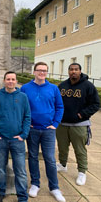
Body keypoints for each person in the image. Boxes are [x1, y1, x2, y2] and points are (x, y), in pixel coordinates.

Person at [21, 62, 66, 202]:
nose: (42, 73)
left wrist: (55, 124)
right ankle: (35, 183)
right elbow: (21, 107)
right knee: (33, 157)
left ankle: (54, 187)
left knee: (50, 159)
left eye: (44, 71)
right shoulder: (25, 88)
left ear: (47, 73)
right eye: (39, 70)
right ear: (34, 72)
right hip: (32, 129)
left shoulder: (53, 88)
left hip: (48, 130)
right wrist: (25, 125)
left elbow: (60, 107)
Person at [0, 71, 31, 202]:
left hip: (17, 140)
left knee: (21, 171)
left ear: (16, 81)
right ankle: (0, 192)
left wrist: (23, 135)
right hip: (1, 139)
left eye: (13, 79)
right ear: (4, 81)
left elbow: (27, 117)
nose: (10, 81)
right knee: (1, 169)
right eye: (8, 79)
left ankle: (22, 196)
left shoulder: (23, 97)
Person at [56, 63, 100, 186]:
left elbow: (96, 104)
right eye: (71, 69)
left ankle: (82, 172)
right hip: (62, 123)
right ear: (68, 71)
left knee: (80, 150)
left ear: (80, 71)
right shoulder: (62, 86)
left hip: (79, 124)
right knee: (62, 147)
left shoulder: (88, 86)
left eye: (76, 69)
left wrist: (82, 114)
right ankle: (62, 164)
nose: (73, 72)